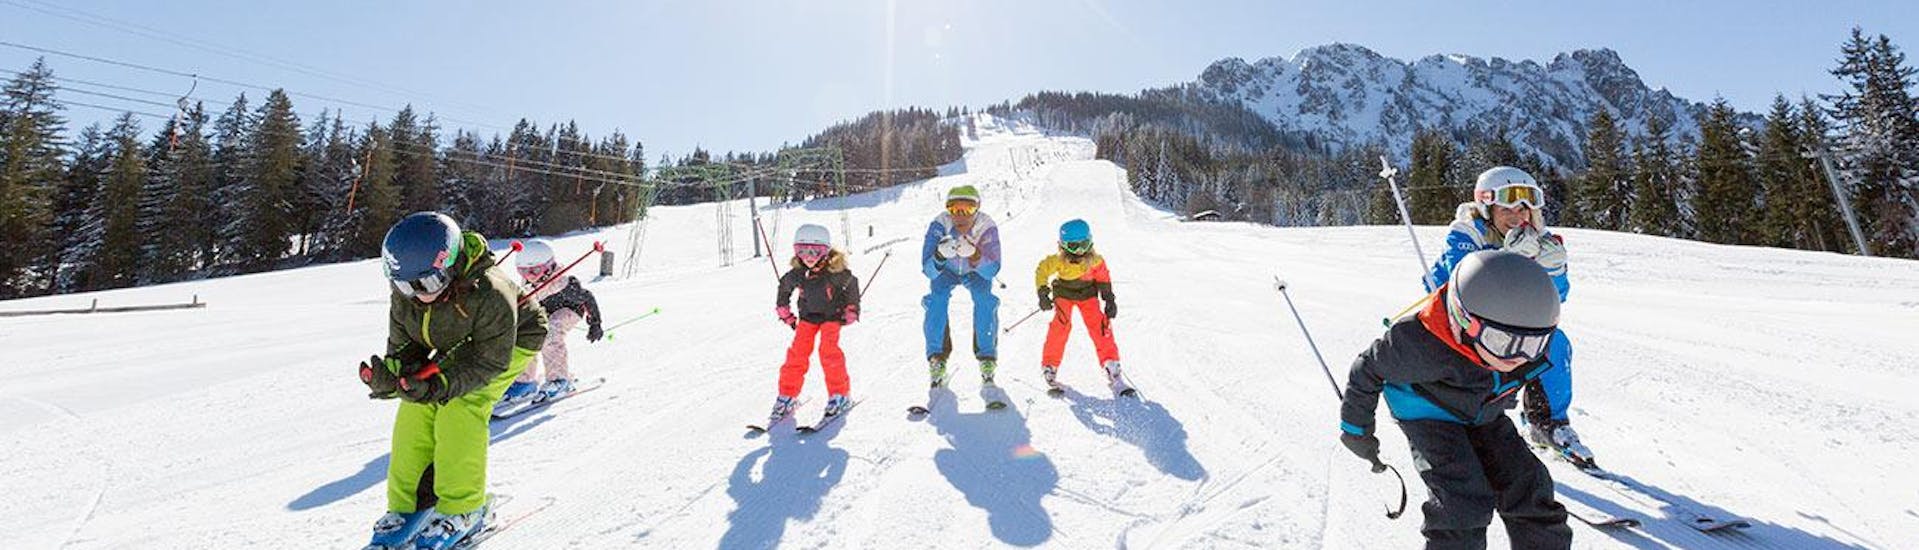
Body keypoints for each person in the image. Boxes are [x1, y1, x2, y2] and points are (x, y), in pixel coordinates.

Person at [1340, 250, 1573, 550]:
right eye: (1502, 343)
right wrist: (1356, 430)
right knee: (1463, 499)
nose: (1518, 358)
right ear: (1464, 321)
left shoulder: (1520, 346)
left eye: (1534, 344)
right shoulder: (1417, 344)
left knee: (1530, 486)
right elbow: (1367, 369)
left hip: (1483, 413)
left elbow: (1537, 383)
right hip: (1428, 412)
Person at [358, 212, 548, 550]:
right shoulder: (408, 289)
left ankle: (466, 509)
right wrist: (394, 375)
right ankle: (409, 506)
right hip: (460, 340)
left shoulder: (491, 292)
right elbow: (406, 345)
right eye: (405, 285)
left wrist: (440, 385)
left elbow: (489, 362)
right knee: (414, 410)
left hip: (512, 340)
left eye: (427, 284)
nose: (417, 295)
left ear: (450, 264)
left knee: (461, 406)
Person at [1427, 166, 1589, 467]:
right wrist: (1513, 258)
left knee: (1554, 343)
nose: (1518, 217)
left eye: (1525, 209)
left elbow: (1555, 299)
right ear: (1487, 208)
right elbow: (1465, 284)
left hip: (1507, 321)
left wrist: (1552, 271)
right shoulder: (1466, 235)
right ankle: (1468, 430)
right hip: (1460, 323)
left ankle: (1548, 423)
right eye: (1507, 209)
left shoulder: (1539, 239)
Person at [494, 239, 604, 415]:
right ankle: (525, 382)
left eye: (535, 270)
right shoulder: (529, 283)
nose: (530, 275)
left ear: (549, 265)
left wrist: (595, 324)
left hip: (568, 310)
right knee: (525, 334)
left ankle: (560, 380)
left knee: (551, 332)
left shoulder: (565, 283)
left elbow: (587, 298)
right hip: (544, 312)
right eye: (523, 271)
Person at [769, 224, 861, 423]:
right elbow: (784, 287)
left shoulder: (835, 272)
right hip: (808, 317)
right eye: (802, 250)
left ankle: (840, 394)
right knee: (797, 354)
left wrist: (852, 309)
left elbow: (852, 285)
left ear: (826, 251)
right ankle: (787, 394)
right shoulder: (799, 272)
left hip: (831, 316)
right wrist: (783, 309)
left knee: (828, 352)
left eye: (815, 251)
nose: (808, 256)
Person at [1033, 219, 1128, 393]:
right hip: (1064, 293)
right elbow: (1042, 269)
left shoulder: (1095, 260)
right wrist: (1042, 292)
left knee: (1099, 325)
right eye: (1074, 246)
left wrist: (1109, 299)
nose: (1080, 251)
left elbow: (1103, 279)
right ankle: (1050, 365)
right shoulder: (1058, 260)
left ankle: (1110, 362)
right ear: (1063, 245)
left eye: (1084, 245)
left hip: (1087, 294)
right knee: (1061, 325)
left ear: (1090, 242)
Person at [920, 184, 1002, 386]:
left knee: (985, 300)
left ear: (978, 209)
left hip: (974, 271)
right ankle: (937, 357)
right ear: (948, 210)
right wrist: (939, 255)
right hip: (945, 271)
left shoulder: (986, 226)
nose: (961, 215)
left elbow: (992, 270)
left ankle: (987, 357)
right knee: (936, 300)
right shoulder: (939, 225)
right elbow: (928, 270)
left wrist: (976, 255)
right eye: (955, 209)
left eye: (969, 209)